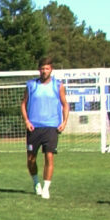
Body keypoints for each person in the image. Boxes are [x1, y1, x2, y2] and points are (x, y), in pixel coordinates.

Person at [21, 56, 68, 199]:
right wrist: (27, 121)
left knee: (49, 157)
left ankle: (46, 188)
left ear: (51, 69)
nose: (44, 71)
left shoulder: (58, 85)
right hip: (34, 128)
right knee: (31, 159)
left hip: (51, 126)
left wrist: (64, 122)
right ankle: (36, 183)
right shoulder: (31, 85)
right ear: (39, 70)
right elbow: (23, 104)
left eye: (47, 68)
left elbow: (65, 104)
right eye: (42, 68)